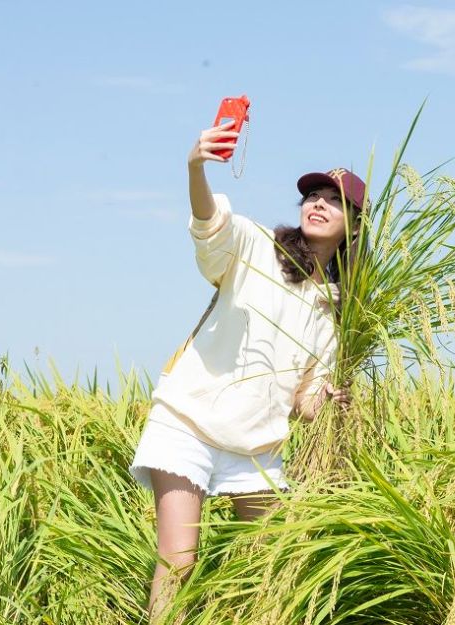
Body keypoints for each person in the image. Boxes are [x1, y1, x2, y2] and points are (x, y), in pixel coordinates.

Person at [129, 120, 367, 620]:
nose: (318, 204)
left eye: (334, 200)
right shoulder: (258, 246)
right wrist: (195, 167)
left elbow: (304, 400)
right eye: (313, 195)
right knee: (178, 561)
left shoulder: (334, 308)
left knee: (267, 566)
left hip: (256, 446)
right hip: (189, 422)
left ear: (353, 225)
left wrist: (328, 400)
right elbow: (209, 220)